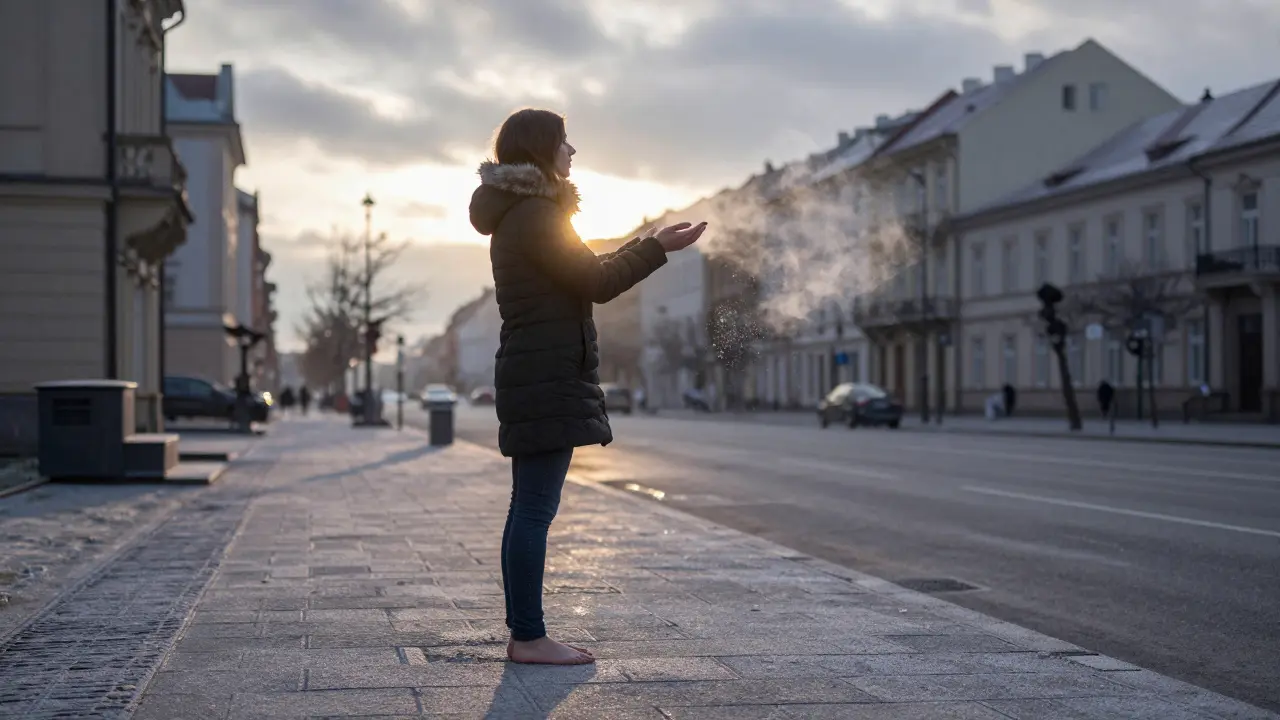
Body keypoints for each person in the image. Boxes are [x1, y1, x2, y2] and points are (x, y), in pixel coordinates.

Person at [469, 108, 706, 665]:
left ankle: (525, 634)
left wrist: (648, 242)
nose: (572, 151)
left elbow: (582, 270)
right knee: (534, 510)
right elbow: (597, 282)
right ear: (541, 148)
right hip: (547, 376)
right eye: (564, 141)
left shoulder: (521, 213)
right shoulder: (536, 214)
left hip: (534, 371)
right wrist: (658, 249)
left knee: (526, 508)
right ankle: (529, 638)